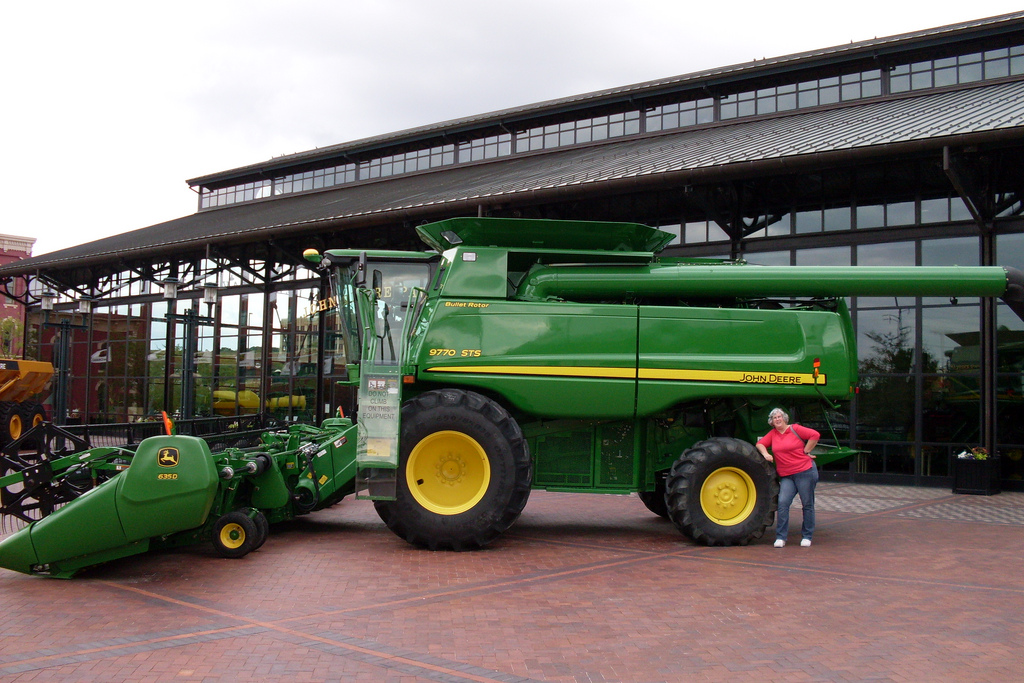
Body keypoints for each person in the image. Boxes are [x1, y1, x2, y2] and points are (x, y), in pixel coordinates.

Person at [755, 407, 820, 548]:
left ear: (784, 418)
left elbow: (815, 435)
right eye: (774, 418)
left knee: (807, 504)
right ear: (771, 422)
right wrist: (766, 454)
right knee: (783, 503)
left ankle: (807, 536)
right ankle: (781, 537)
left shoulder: (795, 429)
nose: (777, 419)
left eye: (779, 416)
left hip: (805, 472)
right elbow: (760, 444)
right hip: (786, 476)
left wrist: (806, 450)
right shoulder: (773, 434)